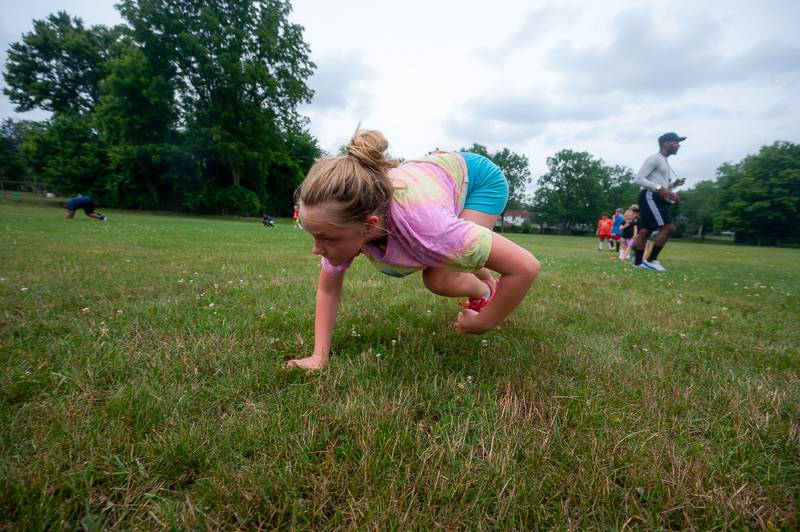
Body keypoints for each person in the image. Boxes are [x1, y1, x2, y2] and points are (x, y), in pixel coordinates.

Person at [285, 128, 540, 371]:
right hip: (432, 183)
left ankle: (485, 290)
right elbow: (328, 288)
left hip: (476, 181)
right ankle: (479, 272)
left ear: (368, 225)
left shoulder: (428, 227)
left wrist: (486, 321)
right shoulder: (346, 221)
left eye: (326, 238)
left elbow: (525, 267)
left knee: (439, 277)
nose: (316, 249)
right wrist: (318, 357)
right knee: (450, 253)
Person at [632, 132, 687, 272]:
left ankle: (638, 264)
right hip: (649, 196)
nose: (678, 145)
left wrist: (673, 186)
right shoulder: (654, 159)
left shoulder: (665, 161)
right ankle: (651, 261)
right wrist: (659, 188)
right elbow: (638, 179)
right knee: (668, 228)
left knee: (645, 230)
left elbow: (661, 186)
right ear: (665, 143)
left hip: (653, 196)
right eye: (676, 142)